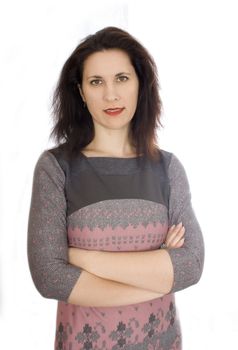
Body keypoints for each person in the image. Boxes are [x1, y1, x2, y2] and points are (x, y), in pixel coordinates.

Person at [27, 26, 204, 350]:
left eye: (122, 78)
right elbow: (49, 277)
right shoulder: (56, 168)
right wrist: (159, 271)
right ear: (81, 91)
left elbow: (191, 265)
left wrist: (82, 258)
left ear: (140, 84)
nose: (111, 94)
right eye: (96, 82)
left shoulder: (167, 168)